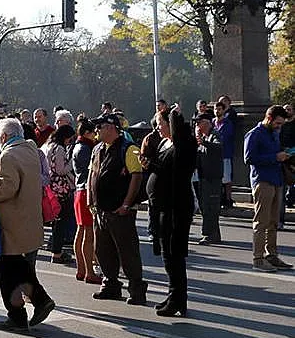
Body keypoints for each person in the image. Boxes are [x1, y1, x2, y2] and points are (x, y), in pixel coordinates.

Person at [0, 118, 55, 332]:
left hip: (12, 221)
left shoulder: (8, 155)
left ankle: (22, 313)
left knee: (8, 269)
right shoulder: (30, 150)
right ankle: (37, 303)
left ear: (4, 136)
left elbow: (6, 188)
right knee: (18, 266)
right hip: (29, 217)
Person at [87, 113, 147, 305]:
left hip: (119, 211)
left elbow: (136, 177)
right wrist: (90, 200)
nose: (96, 130)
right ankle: (110, 284)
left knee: (127, 251)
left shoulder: (128, 149)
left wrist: (126, 204)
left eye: (100, 126)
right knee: (102, 250)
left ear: (112, 128)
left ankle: (136, 289)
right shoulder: (97, 149)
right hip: (100, 210)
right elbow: (92, 175)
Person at [146, 108, 196, 317]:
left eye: (161, 122)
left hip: (176, 206)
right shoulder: (165, 143)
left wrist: (175, 116)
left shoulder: (184, 143)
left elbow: (179, 166)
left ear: (171, 124)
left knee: (174, 254)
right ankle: (173, 294)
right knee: (167, 253)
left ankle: (178, 298)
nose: (157, 127)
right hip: (163, 205)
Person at [243, 105, 293, 272]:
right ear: (269, 119)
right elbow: (248, 158)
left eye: (281, 124)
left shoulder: (274, 133)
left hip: (276, 180)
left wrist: (284, 154)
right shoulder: (254, 134)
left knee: (273, 222)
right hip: (262, 181)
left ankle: (271, 255)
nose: (280, 126)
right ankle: (257, 259)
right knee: (261, 221)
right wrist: (275, 157)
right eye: (278, 123)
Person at [71, 119, 101, 284]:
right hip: (85, 191)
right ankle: (89, 271)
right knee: (88, 234)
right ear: (87, 133)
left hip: (79, 190)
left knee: (81, 231)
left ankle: (81, 269)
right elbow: (92, 171)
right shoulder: (85, 148)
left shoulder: (78, 146)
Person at [43, 124, 76, 265]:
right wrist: (72, 164)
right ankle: (57, 251)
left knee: (56, 219)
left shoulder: (49, 146)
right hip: (61, 187)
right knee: (62, 220)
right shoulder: (60, 149)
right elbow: (61, 169)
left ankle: (56, 249)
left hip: (51, 185)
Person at [195, 113, 223, 245]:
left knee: (211, 206)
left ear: (206, 123)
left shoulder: (214, 135)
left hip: (213, 177)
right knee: (205, 207)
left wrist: (204, 142)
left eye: (199, 122)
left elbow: (218, 147)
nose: (197, 125)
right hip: (203, 176)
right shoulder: (202, 138)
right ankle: (213, 233)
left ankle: (209, 234)